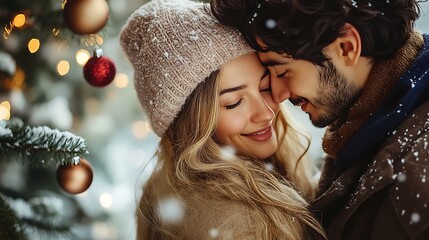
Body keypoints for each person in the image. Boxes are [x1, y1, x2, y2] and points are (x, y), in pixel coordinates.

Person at [210, 0, 429, 239]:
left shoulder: (418, 178)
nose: (278, 95)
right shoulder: (361, 125)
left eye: (282, 71)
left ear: (347, 47)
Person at [119, 0, 328, 239]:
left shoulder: (265, 171)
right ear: (193, 123)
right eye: (234, 102)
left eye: (264, 87)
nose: (266, 112)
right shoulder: (231, 222)